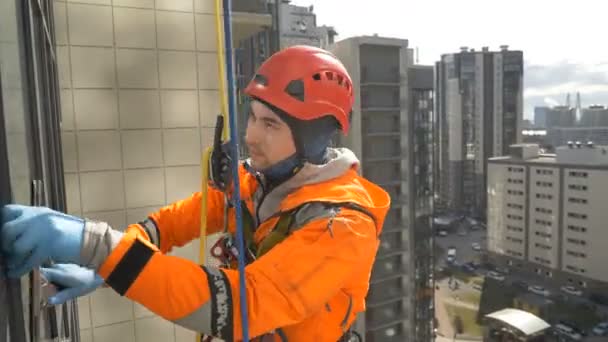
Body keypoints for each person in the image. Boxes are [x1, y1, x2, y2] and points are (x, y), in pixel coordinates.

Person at [0, 45, 390, 341]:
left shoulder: (343, 227)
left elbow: (242, 306)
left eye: (270, 124)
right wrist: (103, 269)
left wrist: (96, 248)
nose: (251, 137)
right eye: (252, 117)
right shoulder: (258, 182)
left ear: (313, 139)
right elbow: (168, 225)